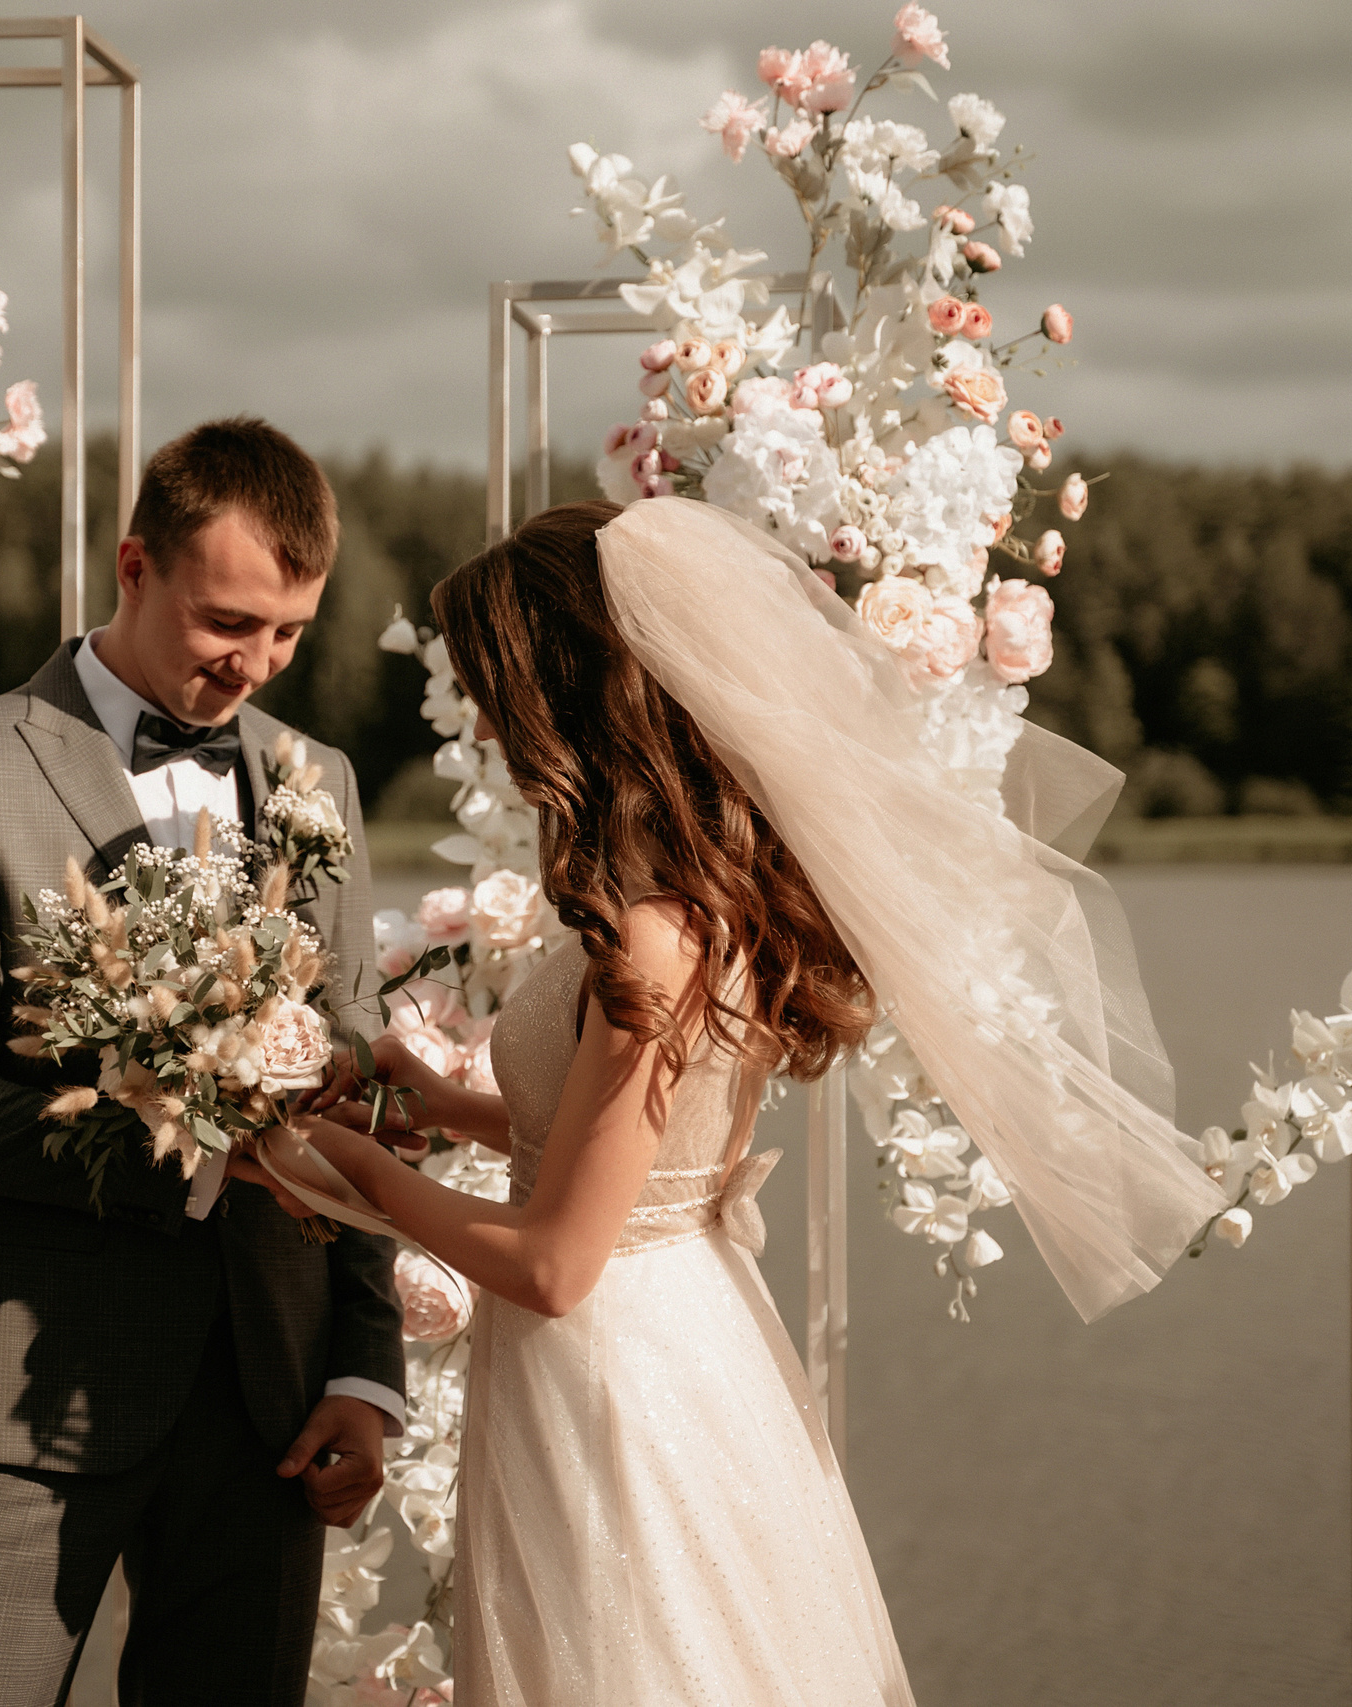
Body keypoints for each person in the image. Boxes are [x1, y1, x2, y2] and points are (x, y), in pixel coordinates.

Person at [242, 496, 1228, 1705]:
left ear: (563, 692)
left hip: (617, 1372)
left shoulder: (652, 939)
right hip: (671, 1325)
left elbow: (556, 1261)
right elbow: (639, 1155)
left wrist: (355, 1174)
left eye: (495, 689)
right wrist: (445, 1109)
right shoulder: (691, 900)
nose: (488, 725)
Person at [0, 418, 406, 1707]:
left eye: (287, 634)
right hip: (14, 1406)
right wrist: (191, 1133)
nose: (255, 664)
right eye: (227, 621)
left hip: (267, 1404)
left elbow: (355, 1086)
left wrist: (361, 1369)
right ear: (133, 566)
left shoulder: (311, 776)